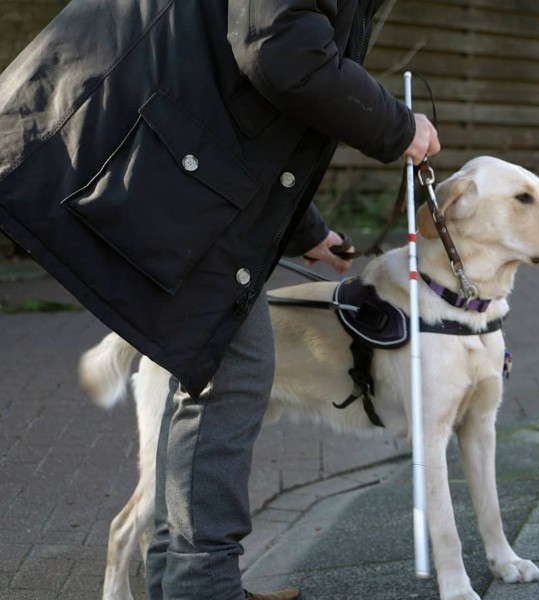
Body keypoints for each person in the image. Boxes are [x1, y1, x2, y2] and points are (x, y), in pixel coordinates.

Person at [0, 1, 440, 599]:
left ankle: (182, 585)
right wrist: (396, 124)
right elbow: (279, 49)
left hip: (161, 155)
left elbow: (238, 92)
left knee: (215, 379)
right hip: (132, 150)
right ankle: (202, 588)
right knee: (230, 375)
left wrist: (306, 232)